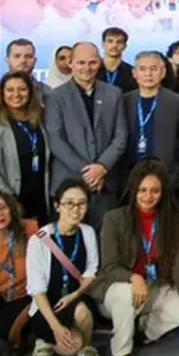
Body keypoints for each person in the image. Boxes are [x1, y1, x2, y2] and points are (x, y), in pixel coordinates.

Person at [94, 160, 179, 356]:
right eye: (142, 190)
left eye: (154, 191)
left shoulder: (172, 220)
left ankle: (144, 331)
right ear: (133, 190)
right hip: (116, 290)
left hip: (154, 287)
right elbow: (109, 266)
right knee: (126, 294)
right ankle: (121, 352)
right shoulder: (114, 218)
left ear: (163, 193)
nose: (148, 196)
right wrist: (133, 278)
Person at [44, 42, 128, 230]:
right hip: (68, 183)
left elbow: (121, 136)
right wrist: (89, 173)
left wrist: (102, 167)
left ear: (99, 63)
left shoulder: (114, 94)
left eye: (92, 62)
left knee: (104, 240)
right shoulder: (55, 96)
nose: (86, 68)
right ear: (71, 64)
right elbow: (56, 139)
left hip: (105, 184)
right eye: (81, 63)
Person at [24, 179, 100, 356]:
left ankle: (86, 345)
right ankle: (45, 338)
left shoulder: (88, 232)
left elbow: (92, 271)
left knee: (83, 316)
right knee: (68, 347)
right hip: (47, 303)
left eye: (81, 203)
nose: (76, 209)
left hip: (75, 297)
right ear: (57, 206)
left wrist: (74, 296)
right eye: (69, 203)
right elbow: (36, 289)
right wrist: (56, 328)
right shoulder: (39, 239)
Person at [124, 51, 179, 192]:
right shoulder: (125, 100)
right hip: (130, 176)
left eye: (154, 69)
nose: (148, 74)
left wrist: (178, 176)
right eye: (142, 69)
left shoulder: (176, 101)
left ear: (163, 72)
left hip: (166, 177)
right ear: (134, 73)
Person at [0, 71, 50, 221]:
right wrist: (9, 200)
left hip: (41, 197)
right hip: (11, 201)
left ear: (31, 92)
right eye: (10, 90)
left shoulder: (41, 119)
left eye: (22, 89)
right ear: (2, 93)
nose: (17, 94)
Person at [0, 192, 33, 355]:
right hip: (1, 299)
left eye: (2, 207)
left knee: (3, 326)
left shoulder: (31, 229)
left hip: (30, 295)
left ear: (11, 209)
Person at [97, 27, 137, 92]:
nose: (114, 45)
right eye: (110, 41)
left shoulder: (132, 72)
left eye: (119, 42)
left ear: (125, 46)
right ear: (103, 44)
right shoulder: (93, 69)